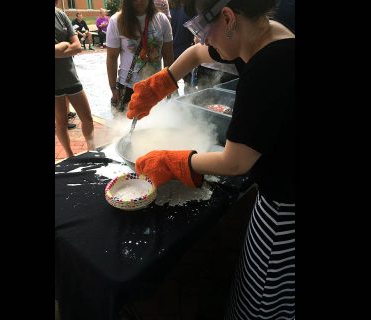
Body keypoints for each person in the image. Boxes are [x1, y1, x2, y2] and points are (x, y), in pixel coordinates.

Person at [126, 0, 295, 319]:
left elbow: (235, 163)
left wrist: (171, 161)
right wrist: (162, 81)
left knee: (259, 302)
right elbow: (197, 54)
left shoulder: (269, 67)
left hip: (284, 209)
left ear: (229, 17)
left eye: (203, 30)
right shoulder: (265, 35)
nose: (203, 40)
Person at [106, 0, 174, 115]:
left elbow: (168, 56)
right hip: (128, 87)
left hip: (155, 86)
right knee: (126, 128)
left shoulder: (162, 20)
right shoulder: (117, 20)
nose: (139, 1)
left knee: (155, 127)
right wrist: (113, 89)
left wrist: (170, 85)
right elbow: (112, 58)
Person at [55, 1, 95, 157]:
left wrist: (59, 49)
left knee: (87, 118)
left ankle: (92, 150)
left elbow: (77, 46)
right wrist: (65, 44)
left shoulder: (61, 15)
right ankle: (69, 156)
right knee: (61, 123)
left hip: (71, 77)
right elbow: (71, 46)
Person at [169, 0, 195, 95]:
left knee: (172, 82)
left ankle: (174, 105)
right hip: (186, 53)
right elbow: (192, 36)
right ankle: (188, 103)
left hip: (171, 54)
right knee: (188, 84)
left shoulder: (169, 13)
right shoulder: (188, 13)